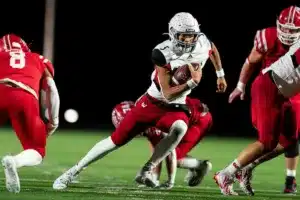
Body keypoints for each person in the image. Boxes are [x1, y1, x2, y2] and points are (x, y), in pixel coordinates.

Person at [53, 12, 226, 190]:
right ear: (173, 33)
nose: (189, 40)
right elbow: (167, 93)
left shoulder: (202, 41)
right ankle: (72, 172)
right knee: (115, 141)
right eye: (185, 36)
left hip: (176, 107)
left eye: (192, 36)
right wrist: (192, 82)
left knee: (180, 128)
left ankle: (147, 169)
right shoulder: (162, 52)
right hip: (152, 102)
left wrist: (220, 74)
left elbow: (212, 48)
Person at [214, 5, 300, 196]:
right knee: (267, 142)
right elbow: (251, 61)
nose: (287, 33)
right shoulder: (270, 38)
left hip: (283, 90)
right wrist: (240, 86)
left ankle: (247, 167)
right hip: (270, 88)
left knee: (290, 140)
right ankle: (225, 174)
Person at [0, 33, 60, 193]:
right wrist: (53, 120)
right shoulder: (37, 58)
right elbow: (51, 90)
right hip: (24, 95)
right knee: (36, 150)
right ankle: (14, 161)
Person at [111, 97, 212, 189]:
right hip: (191, 113)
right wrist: (154, 178)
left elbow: (169, 151)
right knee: (164, 149)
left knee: (175, 157)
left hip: (199, 119)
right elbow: (156, 149)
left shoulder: (151, 119)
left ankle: (200, 165)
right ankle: (196, 165)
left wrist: (169, 182)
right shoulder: (144, 110)